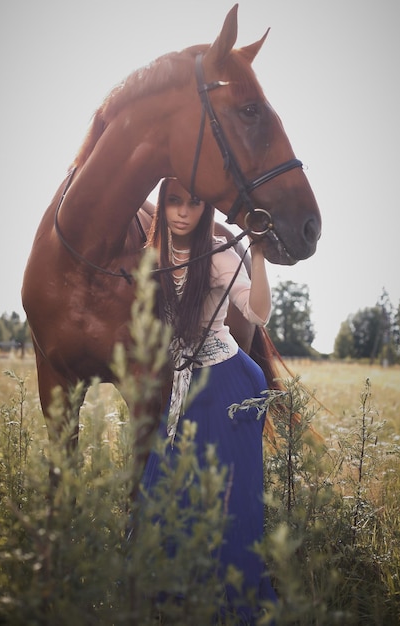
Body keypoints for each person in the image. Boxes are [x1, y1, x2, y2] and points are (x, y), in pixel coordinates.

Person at [142, 177, 277, 623]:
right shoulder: (152, 255)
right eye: (173, 201)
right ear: (162, 205)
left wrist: (254, 253)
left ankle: (227, 601)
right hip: (183, 388)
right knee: (164, 489)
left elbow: (257, 313)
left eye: (193, 203)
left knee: (228, 499)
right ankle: (173, 596)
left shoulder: (218, 257)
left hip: (230, 384)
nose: (182, 211)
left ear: (206, 209)